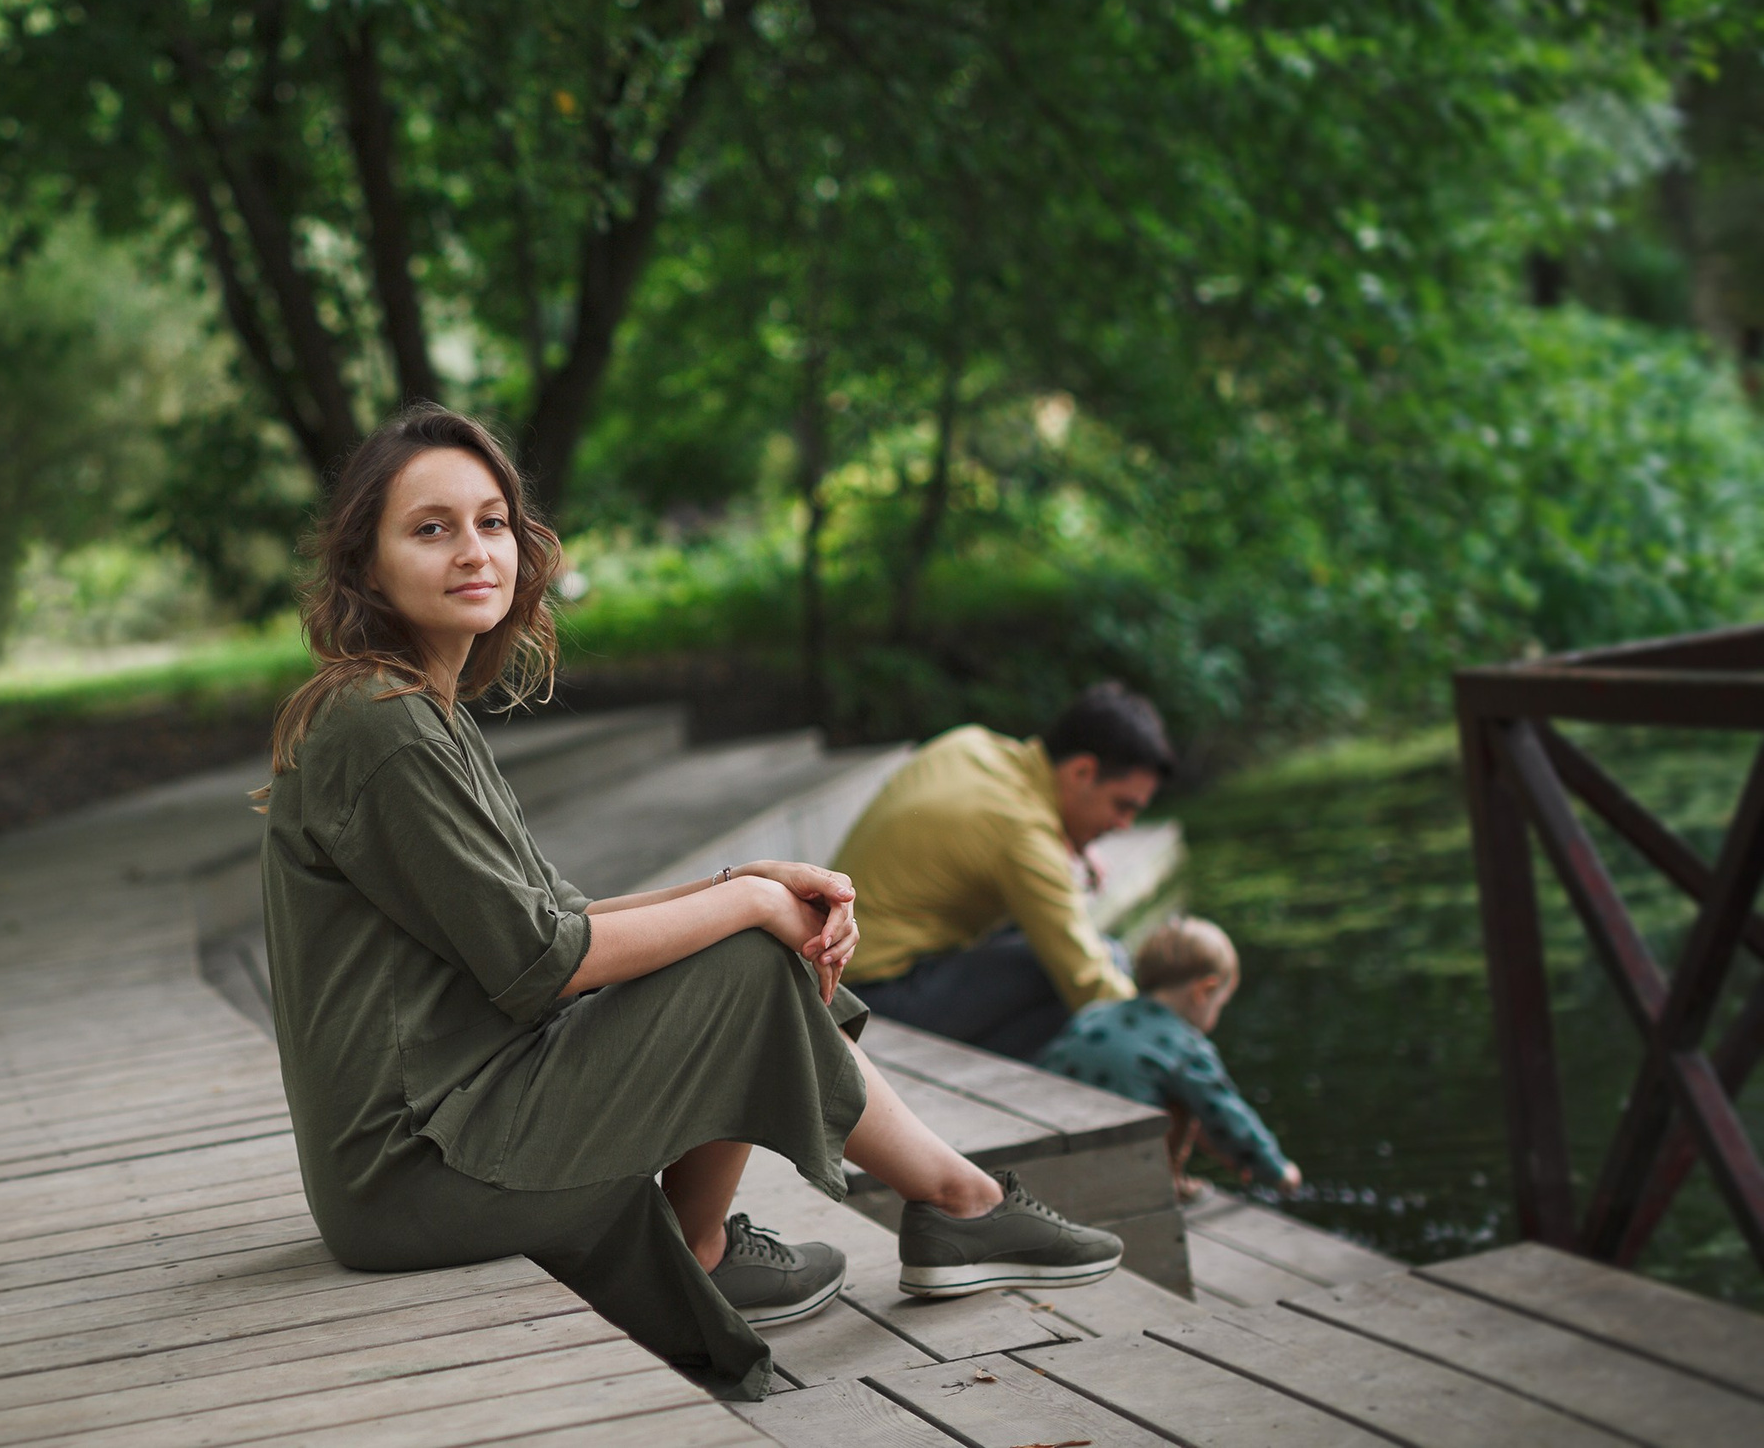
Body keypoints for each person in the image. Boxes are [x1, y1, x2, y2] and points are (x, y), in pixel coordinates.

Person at [257, 406, 1124, 1401]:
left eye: (492, 522)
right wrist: (749, 907)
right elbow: (544, 963)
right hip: (416, 1172)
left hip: (439, 1129)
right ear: (364, 566)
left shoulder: (410, 710)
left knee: (749, 938)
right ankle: (938, 1206)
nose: (473, 550)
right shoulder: (387, 727)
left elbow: (555, 917)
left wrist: (744, 887)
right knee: (749, 956)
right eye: (430, 527)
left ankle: (767, 1234)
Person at [833, 684, 1174, 1060]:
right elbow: (1088, 982)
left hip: (838, 976)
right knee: (1079, 977)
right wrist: (1174, 1048)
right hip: (872, 1004)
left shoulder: (971, 744)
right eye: (1122, 806)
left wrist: (1076, 843)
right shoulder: (1024, 834)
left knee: (1068, 950)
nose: (1125, 825)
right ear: (1082, 772)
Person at [1036, 916, 1301, 1202]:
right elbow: (1227, 1114)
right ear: (1205, 991)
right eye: (1220, 1004)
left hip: (1048, 1158)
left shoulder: (1095, 1014)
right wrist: (1278, 1170)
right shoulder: (1184, 1047)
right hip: (1117, 1177)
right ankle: (1169, 1183)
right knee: (1186, 1099)